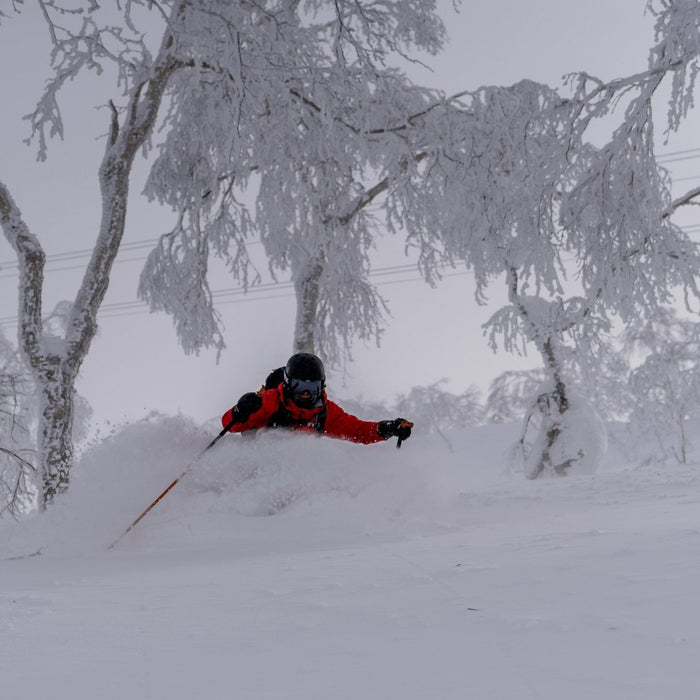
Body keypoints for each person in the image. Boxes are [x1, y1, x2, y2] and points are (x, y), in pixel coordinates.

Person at [221, 352, 413, 446]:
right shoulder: (271, 401)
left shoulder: (325, 412)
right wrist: (241, 410)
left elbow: (359, 431)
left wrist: (387, 429)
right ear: (288, 384)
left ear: (321, 386)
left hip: (296, 472)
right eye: (299, 386)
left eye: (313, 387)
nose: (306, 393)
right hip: (255, 464)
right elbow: (230, 424)